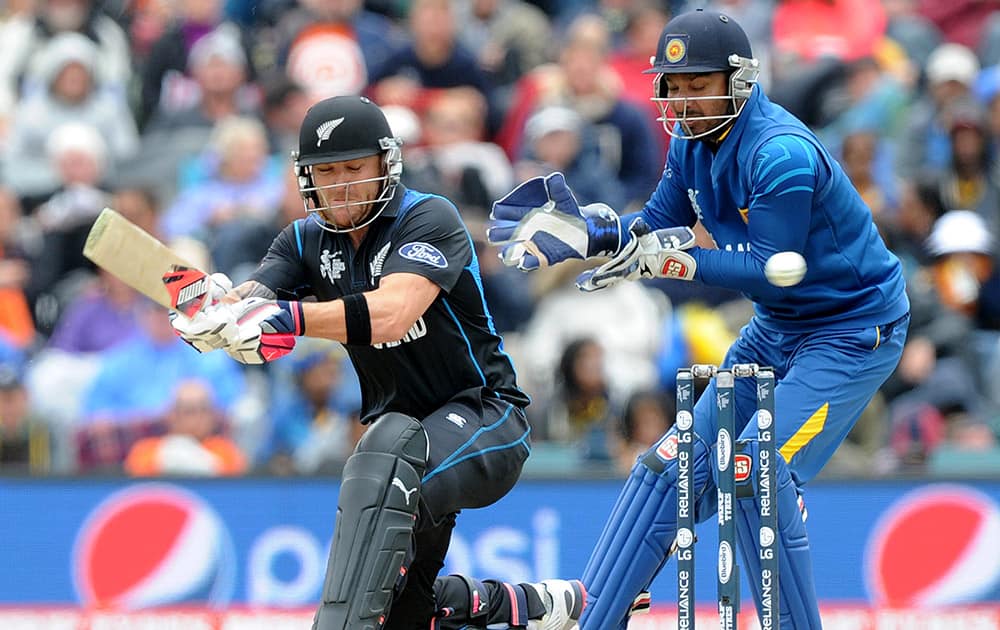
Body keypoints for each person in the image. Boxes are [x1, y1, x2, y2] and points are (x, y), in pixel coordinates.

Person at [487, 9, 910, 629]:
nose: (682, 100)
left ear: (738, 80)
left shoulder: (780, 153)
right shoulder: (690, 141)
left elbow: (772, 265)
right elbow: (655, 223)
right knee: (669, 464)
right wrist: (593, 233)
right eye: (673, 86)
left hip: (850, 332)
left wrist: (683, 263)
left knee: (754, 474)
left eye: (698, 84)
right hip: (778, 326)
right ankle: (593, 617)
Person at [170, 95, 584, 630]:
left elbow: (391, 313)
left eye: (353, 169)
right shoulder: (302, 240)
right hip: (402, 435)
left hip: (486, 418)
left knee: (385, 456)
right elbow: (254, 300)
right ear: (305, 177)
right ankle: (528, 605)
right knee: (404, 613)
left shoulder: (429, 217)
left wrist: (281, 317)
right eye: (326, 172)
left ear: (386, 164)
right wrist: (219, 314)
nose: (339, 185)